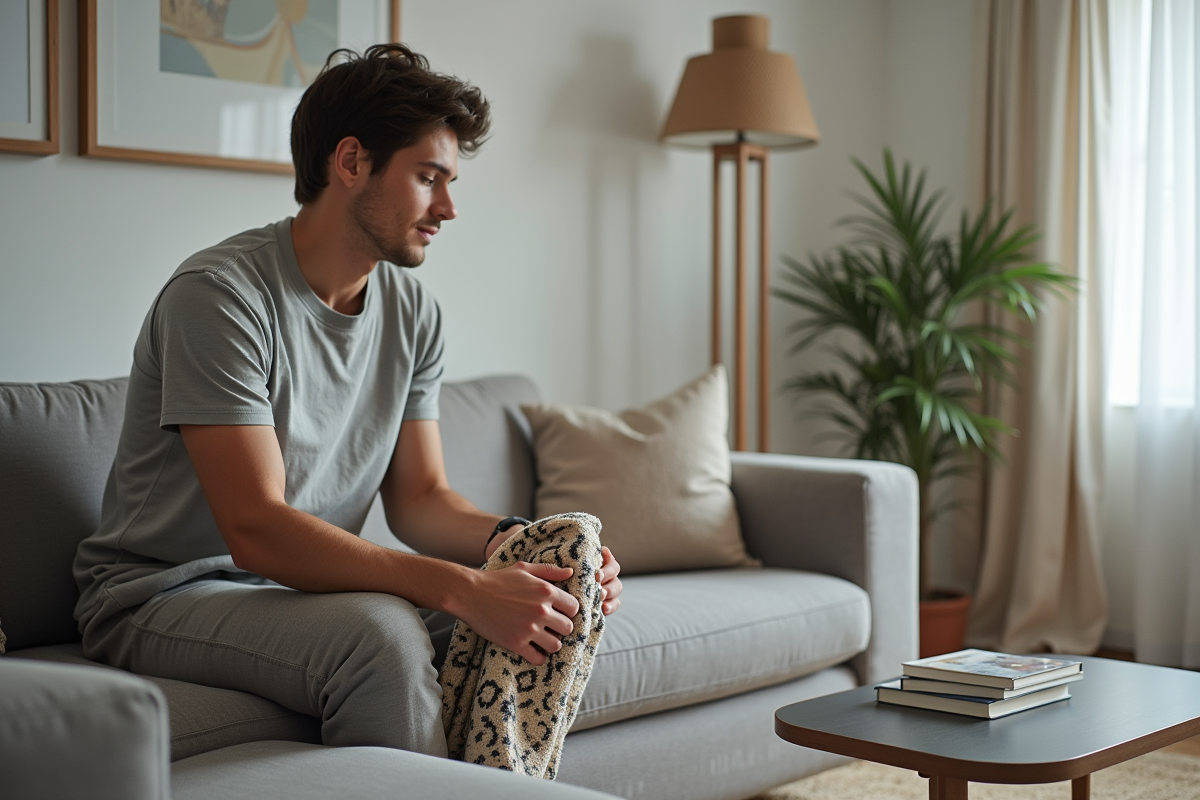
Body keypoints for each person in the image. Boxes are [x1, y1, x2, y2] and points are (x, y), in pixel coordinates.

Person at [72, 43, 622, 762]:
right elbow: (257, 530)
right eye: (429, 178)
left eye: (451, 182)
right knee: (380, 636)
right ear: (352, 161)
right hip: (162, 597)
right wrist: (462, 588)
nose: (450, 208)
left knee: (543, 610)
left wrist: (530, 549)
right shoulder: (220, 297)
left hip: (297, 595)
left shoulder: (413, 313)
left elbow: (423, 499)